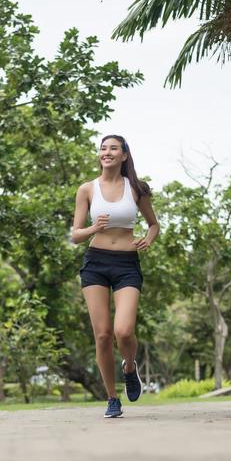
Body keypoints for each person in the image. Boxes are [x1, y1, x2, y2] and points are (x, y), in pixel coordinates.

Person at [71, 135, 160, 418]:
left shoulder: (136, 188)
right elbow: (75, 235)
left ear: (124, 155)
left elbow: (153, 224)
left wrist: (148, 238)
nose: (107, 152)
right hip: (95, 263)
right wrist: (93, 227)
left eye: (113, 148)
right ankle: (112, 398)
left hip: (126, 265)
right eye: (103, 148)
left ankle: (130, 367)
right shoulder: (86, 189)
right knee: (102, 335)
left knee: (124, 331)